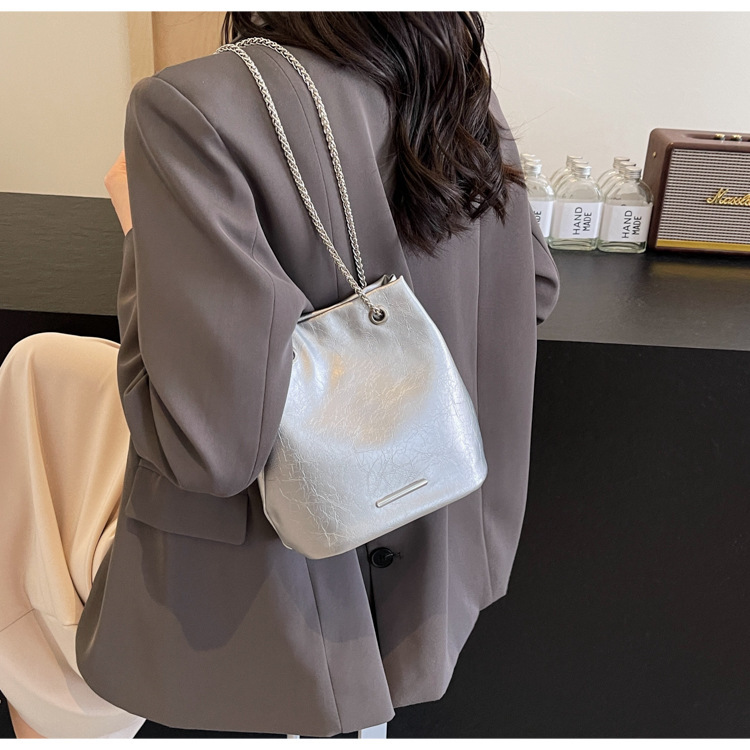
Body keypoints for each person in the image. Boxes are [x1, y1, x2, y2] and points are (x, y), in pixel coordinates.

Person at [0, 11, 560, 738]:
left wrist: (144, 229)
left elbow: (207, 450)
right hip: (441, 547)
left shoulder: (191, 105)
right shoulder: (452, 79)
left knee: (35, 385)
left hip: (280, 595)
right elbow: (535, 288)